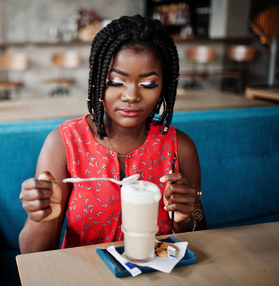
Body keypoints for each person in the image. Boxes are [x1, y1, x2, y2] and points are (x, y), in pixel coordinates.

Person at [19, 15, 206, 254]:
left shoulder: (180, 148)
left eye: (148, 84)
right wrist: (42, 217)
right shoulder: (64, 144)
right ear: (97, 81)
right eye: (116, 81)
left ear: (164, 87)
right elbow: (33, 255)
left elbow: (199, 239)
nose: (131, 96)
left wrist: (186, 217)